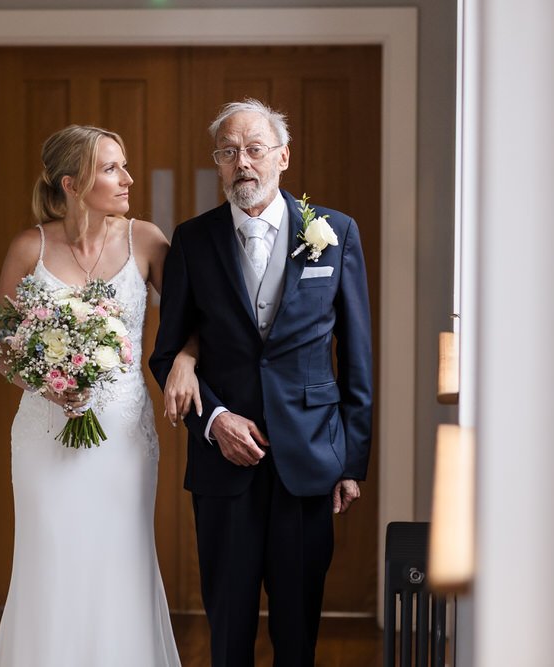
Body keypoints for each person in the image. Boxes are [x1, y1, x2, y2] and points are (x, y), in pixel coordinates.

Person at [150, 99, 374, 667]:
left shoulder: (335, 232)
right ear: (217, 165)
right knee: (228, 627)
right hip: (224, 466)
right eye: (228, 152)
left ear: (283, 157)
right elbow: (165, 355)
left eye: (254, 149)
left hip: (310, 457)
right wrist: (215, 419)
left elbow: (357, 358)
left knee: (299, 630)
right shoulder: (192, 241)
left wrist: (351, 461)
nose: (241, 163)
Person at [0, 125, 189, 667]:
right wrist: (50, 384)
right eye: (110, 169)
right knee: (49, 562)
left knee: (119, 562)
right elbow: (1, 348)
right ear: (72, 183)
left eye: (123, 166)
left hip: (123, 437)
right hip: (43, 434)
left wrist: (187, 362)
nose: (126, 179)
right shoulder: (29, 246)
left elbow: (193, 321)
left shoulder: (145, 240)